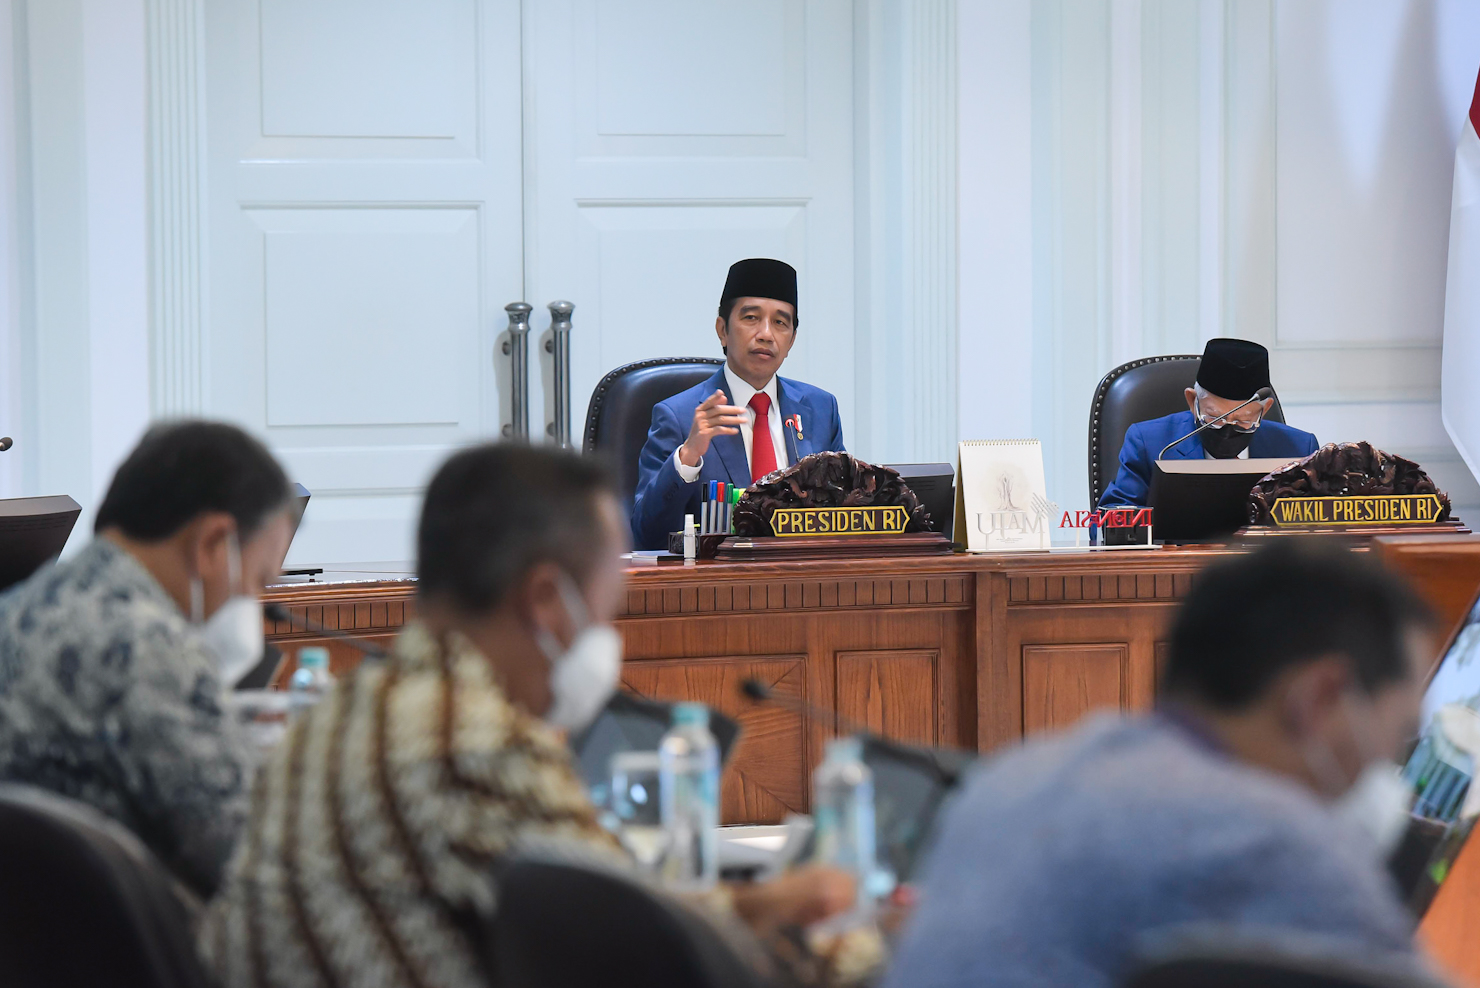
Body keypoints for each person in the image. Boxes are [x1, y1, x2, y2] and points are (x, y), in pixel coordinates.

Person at [202, 444, 858, 988]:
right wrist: (840, 934)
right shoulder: (475, 740)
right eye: (604, 611)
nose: (604, 636)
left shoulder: (337, 710)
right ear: (546, 599)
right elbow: (656, 941)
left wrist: (762, 904)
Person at [885, 540, 1438, 988]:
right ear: (1319, 697)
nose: (1391, 757)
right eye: (1398, 730)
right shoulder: (1272, 842)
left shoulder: (1015, 778)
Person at [0, 421, 295, 897]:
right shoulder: (152, 652)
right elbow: (256, 869)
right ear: (212, 544)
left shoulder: (13, 611)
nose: (257, 601)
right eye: (260, 578)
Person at [630, 257, 846, 549]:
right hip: (716, 587)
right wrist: (689, 456)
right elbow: (646, 535)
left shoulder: (821, 410)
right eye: (751, 318)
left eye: (780, 323)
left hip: (802, 582)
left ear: (792, 339)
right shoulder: (678, 417)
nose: (766, 334)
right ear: (722, 330)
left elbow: (844, 515)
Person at [1100, 338, 1319, 507]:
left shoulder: (1299, 450)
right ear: (1192, 400)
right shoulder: (1150, 443)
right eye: (1214, 417)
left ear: (1265, 409)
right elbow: (1110, 519)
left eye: (1244, 420)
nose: (1227, 429)